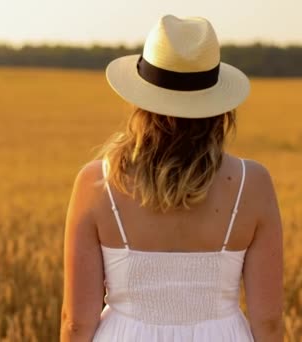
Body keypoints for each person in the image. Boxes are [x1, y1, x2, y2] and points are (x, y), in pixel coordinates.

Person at [60, 14, 284, 342]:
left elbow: (76, 322)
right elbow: (269, 322)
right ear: (219, 105)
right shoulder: (253, 184)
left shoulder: (97, 183)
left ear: (141, 100)